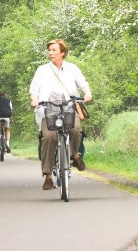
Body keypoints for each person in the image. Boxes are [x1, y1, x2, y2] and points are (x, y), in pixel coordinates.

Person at [29, 39, 92, 190]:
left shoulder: (72, 68)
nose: (50, 53)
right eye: (49, 50)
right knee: (49, 137)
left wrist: (87, 94)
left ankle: (74, 155)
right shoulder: (42, 70)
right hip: (48, 109)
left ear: (63, 53)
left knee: (76, 129)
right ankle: (48, 176)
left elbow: (83, 84)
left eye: (54, 50)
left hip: (69, 107)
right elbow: (34, 89)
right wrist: (35, 100)